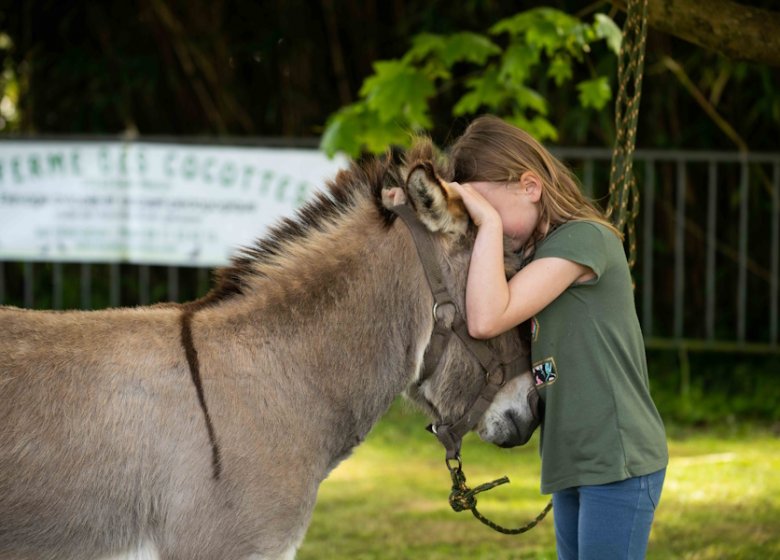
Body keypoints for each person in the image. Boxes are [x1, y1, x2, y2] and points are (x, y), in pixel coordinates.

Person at [446, 115, 668, 560]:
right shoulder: (537, 256)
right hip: (573, 459)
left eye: (490, 208)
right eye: (477, 217)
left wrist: (489, 225)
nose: (485, 225)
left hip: (617, 459)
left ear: (531, 186)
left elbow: (486, 318)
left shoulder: (584, 239)